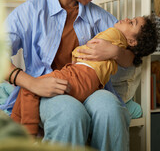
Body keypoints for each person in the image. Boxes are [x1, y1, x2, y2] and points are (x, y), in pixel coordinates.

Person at [1, 0, 136, 151]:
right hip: (49, 89)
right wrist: (32, 83)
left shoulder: (99, 17)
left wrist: (115, 52)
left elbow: (131, 59)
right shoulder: (31, 11)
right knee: (70, 114)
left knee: (111, 111)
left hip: (92, 88)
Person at [10, 15, 158, 136]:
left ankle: (27, 136)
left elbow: (87, 48)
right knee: (29, 89)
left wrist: (76, 54)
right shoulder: (118, 41)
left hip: (80, 76)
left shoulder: (115, 33)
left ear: (132, 41)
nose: (126, 19)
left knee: (29, 87)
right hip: (88, 83)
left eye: (132, 23)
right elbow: (130, 58)